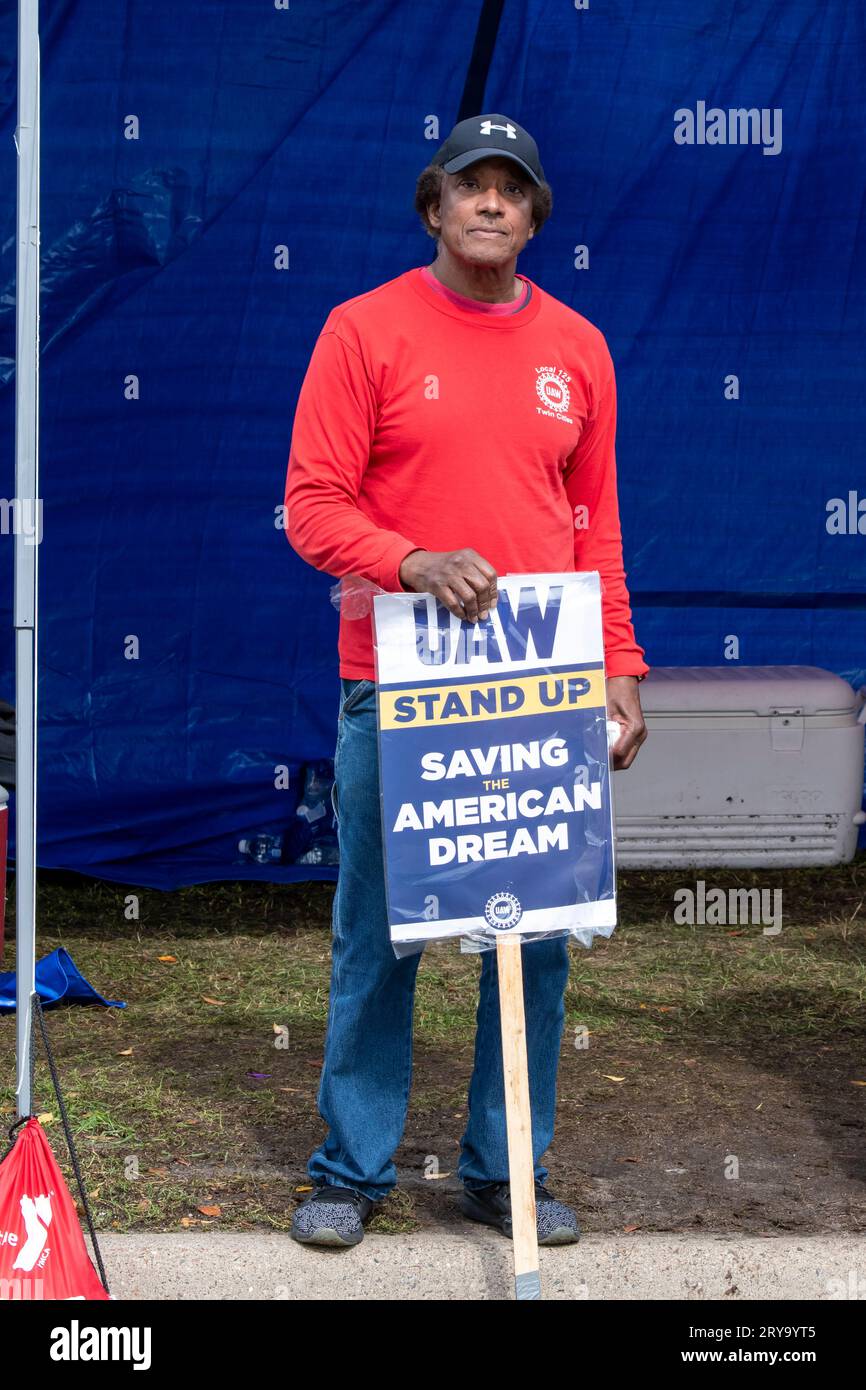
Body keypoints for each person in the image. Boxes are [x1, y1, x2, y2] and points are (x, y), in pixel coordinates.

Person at [283, 113, 648, 1249]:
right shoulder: (362, 330)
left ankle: (504, 1171)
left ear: (534, 216)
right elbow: (311, 504)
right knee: (379, 932)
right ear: (433, 206)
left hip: (536, 692)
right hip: (394, 683)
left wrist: (620, 671)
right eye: (469, 186)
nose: (490, 203)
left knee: (531, 939)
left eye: (512, 189)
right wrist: (411, 561)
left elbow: (596, 530)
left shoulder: (579, 348)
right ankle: (350, 1168)